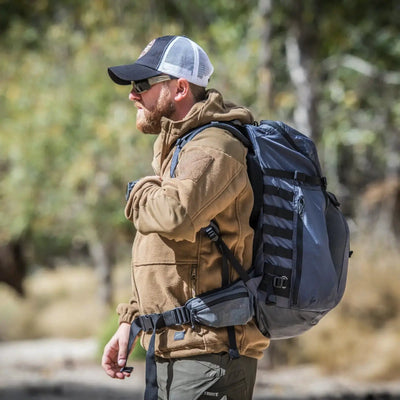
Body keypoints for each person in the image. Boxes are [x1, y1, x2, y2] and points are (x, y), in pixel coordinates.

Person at [102, 35, 269, 400]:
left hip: (208, 357)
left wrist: (138, 190)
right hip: (172, 350)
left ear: (179, 88)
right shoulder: (181, 147)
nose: (133, 95)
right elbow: (163, 247)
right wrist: (131, 321)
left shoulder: (216, 146)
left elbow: (174, 215)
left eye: (142, 84)